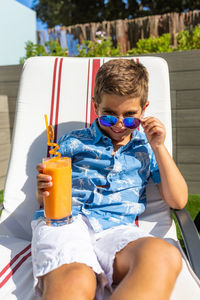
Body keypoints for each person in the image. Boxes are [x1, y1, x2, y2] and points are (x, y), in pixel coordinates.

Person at [32, 59, 188, 300]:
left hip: (117, 231)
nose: (118, 124)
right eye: (108, 116)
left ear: (144, 110)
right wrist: (42, 190)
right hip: (67, 222)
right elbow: (44, 200)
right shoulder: (74, 141)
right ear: (95, 107)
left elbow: (178, 200)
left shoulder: (147, 148)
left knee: (163, 255)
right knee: (77, 279)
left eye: (130, 117)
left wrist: (159, 146)